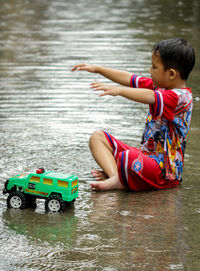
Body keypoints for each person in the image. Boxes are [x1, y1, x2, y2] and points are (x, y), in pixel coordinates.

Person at [72, 38, 195, 192]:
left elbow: (150, 96)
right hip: (147, 158)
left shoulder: (180, 98)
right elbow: (130, 78)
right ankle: (116, 177)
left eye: (154, 67)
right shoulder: (161, 87)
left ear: (171, 74)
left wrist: (119, 91)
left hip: (164, 173)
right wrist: (98, 69)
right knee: (98, 137)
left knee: (128, 158)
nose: (150, 70)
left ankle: (118, 178)